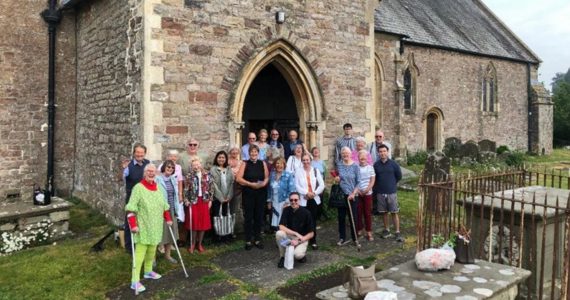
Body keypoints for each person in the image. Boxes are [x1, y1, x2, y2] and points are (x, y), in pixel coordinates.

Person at [125, 164, 172, 293]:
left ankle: (148, 271)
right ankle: (134, 281)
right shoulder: (138, 188)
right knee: (140, 253)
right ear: (144, 173)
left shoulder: (157, 188)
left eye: (153, 171)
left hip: (156, 226)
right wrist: (133, 225)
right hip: (143, 226)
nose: (151, 173)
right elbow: (131, 208)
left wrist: (168, 218)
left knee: (152, 250)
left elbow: (164, 205)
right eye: (149, 171)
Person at [119, 143, 150, 255]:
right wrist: (122, 169)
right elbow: (119, 178)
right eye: (137, 152)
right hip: (132, 198)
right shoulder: (129, 165)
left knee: (142, 221)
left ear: (144, 153)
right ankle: (129, 247)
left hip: (145, 198)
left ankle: (141, 244)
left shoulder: (147, 163)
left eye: (142, 153)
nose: (139, 154)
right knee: (130, 221)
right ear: (134, 153)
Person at [236, 144, 269, 250]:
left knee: (259, 216)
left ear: (258, 153)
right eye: (252, 152)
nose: (254, 154)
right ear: (249, 153)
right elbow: (238, 179)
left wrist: (264, 183)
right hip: (249, 193)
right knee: (249, 217)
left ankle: (258, 238)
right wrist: (251, 184)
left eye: (255, 152)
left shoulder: (262, 163)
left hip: (260, 193)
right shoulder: (244, 164)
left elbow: (267, 177)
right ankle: (248, 240)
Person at [275, 192, 315, 268]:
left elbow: (311, 233)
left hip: (302, 238)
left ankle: (301, 255)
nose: (293, 202)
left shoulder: (306, 213)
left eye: (296, 200)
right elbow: (281, 226)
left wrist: (299, 240)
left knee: (297, 255)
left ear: (299, 200)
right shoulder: (286, 210)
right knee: (279, 233)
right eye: (291, 200)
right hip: (290, 237)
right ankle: (283, 257)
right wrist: (295, 233)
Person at [373, 144, 403, 242]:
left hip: (391, 192)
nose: (382, 153)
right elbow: (375, 178)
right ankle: (387, 230)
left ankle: (397, 232)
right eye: (380, 151)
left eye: (384, 151)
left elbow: (399, 176)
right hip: (380, 192)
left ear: (387, 152)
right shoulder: (376, 165)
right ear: (378, 153)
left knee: (394, 212)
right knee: (384, 212)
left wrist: (392, 184)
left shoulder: (394, 164)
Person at [294, 153, 324, 250]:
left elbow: (322, 185)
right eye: (304, 160)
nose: (306, 162)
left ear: (310, 160)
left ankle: (313, 240)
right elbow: (297, 185)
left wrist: (314, 193)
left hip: (314, 199)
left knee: (313, 220)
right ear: (302, 161)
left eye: (307, 160)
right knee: (302, 220)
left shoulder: (315, 170)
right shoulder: (298, 171)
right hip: (303, 199)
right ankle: (302, 239)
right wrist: (306, 193)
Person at [333, 146, 360, 246]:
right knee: (341, 217)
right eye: (343, 153)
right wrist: (337, 179)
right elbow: (338, 177)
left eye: (347, 153)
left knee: (353, 217)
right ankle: (342, 237)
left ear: (350, 154)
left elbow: (359, 182)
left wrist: (353, 194)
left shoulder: (356, 166)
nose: (345, 155)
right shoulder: (339, 164)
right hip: (341, 195)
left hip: (352, 196)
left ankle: (355, 238)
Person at [184, 159, 213, 253]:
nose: (196, 166)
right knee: (194, 223)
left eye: (197, 164)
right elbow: (185, 190)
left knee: (203, 223)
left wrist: (210, 200)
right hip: (194, 201)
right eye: (194, 165)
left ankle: (199, 244)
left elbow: (211, 187)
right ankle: (192, 244)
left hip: (204, 201)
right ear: (191, 166)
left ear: (201, 165)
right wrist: (186, 200)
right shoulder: (189, 176)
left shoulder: (207, 174)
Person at [156, 160, 181, 264]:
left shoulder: (172, 179)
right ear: (163, 167)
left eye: (172, 168)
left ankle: (168, 255)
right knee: (158, 234)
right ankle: (152, 259)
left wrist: (176, 209)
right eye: (168, 167)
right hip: (161, 210)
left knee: (170, 234)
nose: (170, 169)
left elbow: (175, 195)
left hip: (171, 210)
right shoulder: (157, 179)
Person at [210, 151, 235, 242]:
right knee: (217, 216)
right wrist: (220, 197)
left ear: (226, 159)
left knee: (226, 216)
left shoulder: (229, 169)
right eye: (219, 157)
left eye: (223, 157)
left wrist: (229, 196)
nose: (221, 159)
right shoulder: (213, 169)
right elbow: (213, 184)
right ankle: (217, 237)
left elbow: (232, 183)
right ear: (217, 158)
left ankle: (226, 236)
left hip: (228, 198)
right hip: (217, 198)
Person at [267, 157, 295, 230]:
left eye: (281, 163)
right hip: (275, 201)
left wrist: (287, 202)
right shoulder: (272, 174)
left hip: (284, 201)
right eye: (277, 163)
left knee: (284, 221)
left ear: (284, 165)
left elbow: (291, 190)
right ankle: (279, 236)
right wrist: (269, 201)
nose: (279, 165)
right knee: (276, 223)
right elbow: (269, 189)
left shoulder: (288, 175)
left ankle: (285, 238)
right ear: (275, 165)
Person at [356, 150, 376, 241]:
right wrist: (359, 190)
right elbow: (354, 180)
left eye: (364, 157)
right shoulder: (356, 167)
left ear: (367, 158)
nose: (362, 159)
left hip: (368, 193)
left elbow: (372, 180)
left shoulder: (370, 167)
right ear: (358, 158)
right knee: (358, 212)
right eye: (361, 158)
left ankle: (369, 231)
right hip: (358, 193)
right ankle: (360, 229)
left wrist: (367, 190)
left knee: (367, 213)